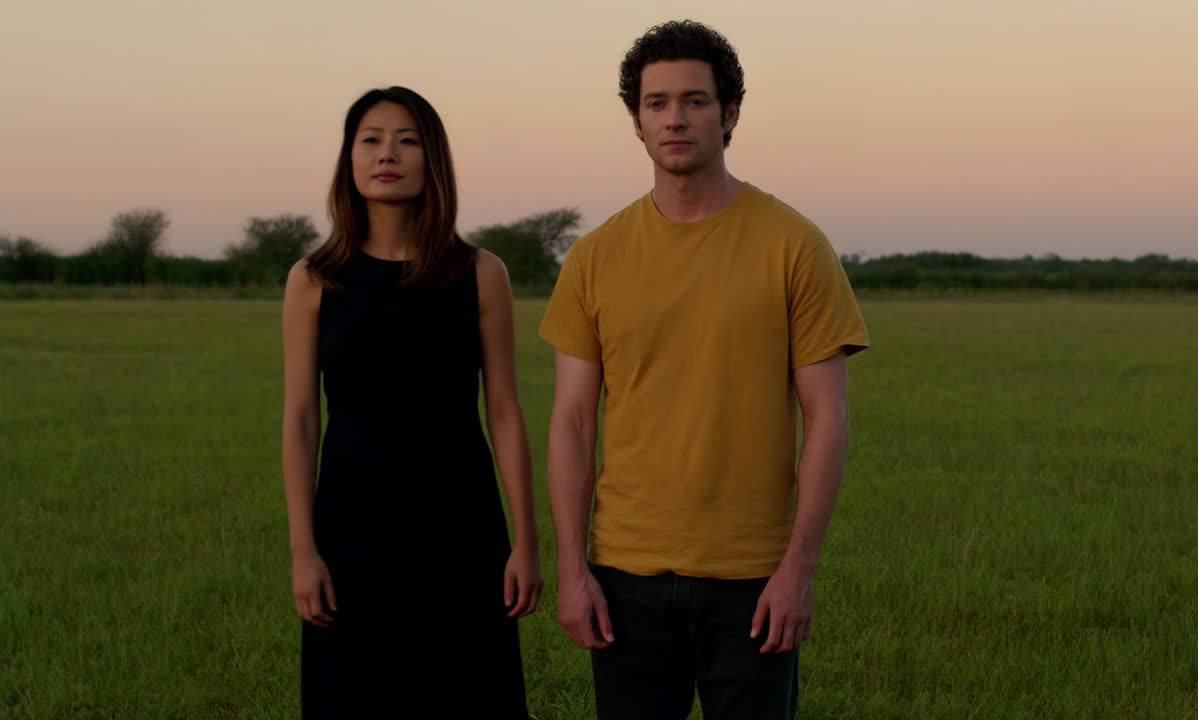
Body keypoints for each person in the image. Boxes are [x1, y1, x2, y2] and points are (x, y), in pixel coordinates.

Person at [539, 21, 870, 720]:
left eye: (694, 99)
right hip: (625, 576)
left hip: (753, 579)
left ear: (731, 113)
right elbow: (571, 422)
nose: (675, 117)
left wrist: (798, 572)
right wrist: (573, 570)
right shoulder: (595, 257)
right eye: (656, 103)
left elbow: (830, 420)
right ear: (636, 122)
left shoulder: (795, 246)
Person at [280, 86, 540, 719]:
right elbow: (301, 418)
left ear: (433, 160)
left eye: (407, 140)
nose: (386, 154)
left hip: (461, 526)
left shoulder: (481, 273)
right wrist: (303, 550)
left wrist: (526, 541)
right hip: (351, 528)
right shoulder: (314, 278)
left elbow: (503, 410)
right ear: (349, 159)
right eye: (369, 139)